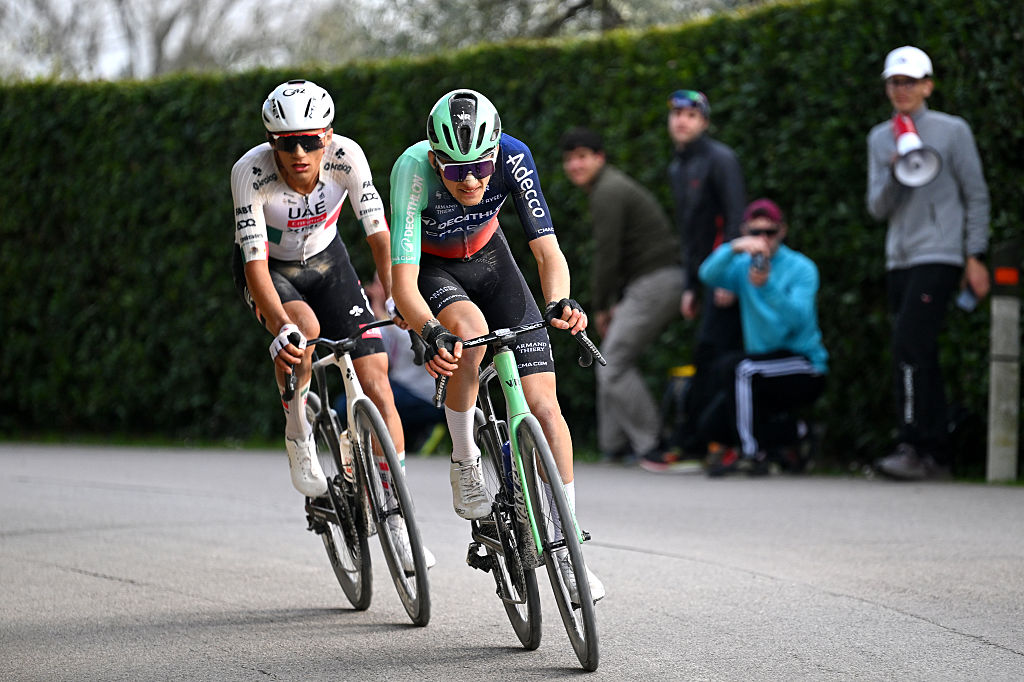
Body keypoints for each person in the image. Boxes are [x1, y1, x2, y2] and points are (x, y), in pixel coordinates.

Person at [389, 89, 603, 603]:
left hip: (491, 258)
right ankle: (465, 460)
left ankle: (571, 552)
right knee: (467, 333)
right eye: (455, 169)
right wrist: (429, 330)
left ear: (495, 153)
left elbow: (547, 250)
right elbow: (403, 282)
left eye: (481, 168)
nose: (470, 181)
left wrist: (560, 302)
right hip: (436, 269)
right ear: (435, 158)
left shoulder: (515, 156)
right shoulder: (411, 169)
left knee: (546, 408)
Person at [230, 79, 433, 569]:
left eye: (310, 140)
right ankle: (298, 430)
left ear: (328, 136)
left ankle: (399, 523)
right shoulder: (250, 172)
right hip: (273, 272)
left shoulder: (346, 157)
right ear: (270, 142)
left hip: (329, 261)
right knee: (304, 331)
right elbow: (255, 265)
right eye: (285, 143)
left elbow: (379, 236)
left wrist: (397, 295)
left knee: (379, 381)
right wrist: (280, 327)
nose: (299, 153)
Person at [866, 46, 990, 480]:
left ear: (927, 85)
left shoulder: (953, 131)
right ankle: (935, 454)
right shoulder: (880, 138)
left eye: (910, 81)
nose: (902, 90)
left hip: (939, 254)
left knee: (909, 343)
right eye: (895, 82)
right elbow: (877, 208)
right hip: (898, 258)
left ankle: (916, 445)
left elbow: (975, 195)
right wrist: (896, 170)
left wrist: (975, 255)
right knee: (915, 352)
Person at [559, 127, 683, 465]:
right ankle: (614, 445)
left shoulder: (608, 191)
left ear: (600, 158)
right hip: (649, 281)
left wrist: (601, 306)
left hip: (657, 280)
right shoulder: (606, 187)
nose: (574, 165)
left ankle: (653, 443)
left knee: (611, 361)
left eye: (582, 157)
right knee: (609, 356)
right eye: (569, 159)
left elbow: (607, 255)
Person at [696, 199, 828, 475]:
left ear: (782, 231)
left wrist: (767, 287)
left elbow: (798, 320)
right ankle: (798, 433)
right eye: (756, 232)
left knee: (740, 369)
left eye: (770, 232)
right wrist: (734, 247)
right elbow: (707, 274)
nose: (763, 239)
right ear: (747, 231)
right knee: (711, 424)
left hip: (802, 363)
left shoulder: (801, 268)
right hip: (763, 365)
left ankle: (754, 454)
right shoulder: (743, 264)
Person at [662, 89, 747, 467]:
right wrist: (690, 287)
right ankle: (704, 443)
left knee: (716, 356)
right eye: (677, 113)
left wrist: (727, 277)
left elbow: (735, 221)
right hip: (703, 279)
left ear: (705, 122)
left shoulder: (721, 159)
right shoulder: (678, 167)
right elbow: (690, 235)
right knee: (708, 356)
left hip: (727, 279)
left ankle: (713, 443)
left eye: (692, 115)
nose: (682, 120)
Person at [337, 273, 444, 452]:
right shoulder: (392, 318)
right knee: (354, 397)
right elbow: (376, 347)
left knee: (348, 405)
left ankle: (413, 436)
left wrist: (379, 305)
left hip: (424, 396)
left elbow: (404, 338)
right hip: (407, 390)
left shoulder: (417, 311)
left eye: (381, 284)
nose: (376, 288)